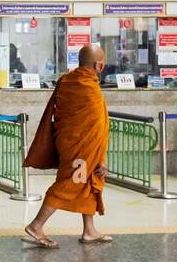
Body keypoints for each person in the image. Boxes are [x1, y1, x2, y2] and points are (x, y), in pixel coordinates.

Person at [22, 44, 111, 248]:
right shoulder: (90, 89)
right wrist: (100, 156)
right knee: (71, 183)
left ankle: (89, 230)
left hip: (70, 142)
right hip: (82, 148)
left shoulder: (67, 81)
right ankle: (36, 225)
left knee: (89, 181)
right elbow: (97, 127)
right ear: (99, 65)